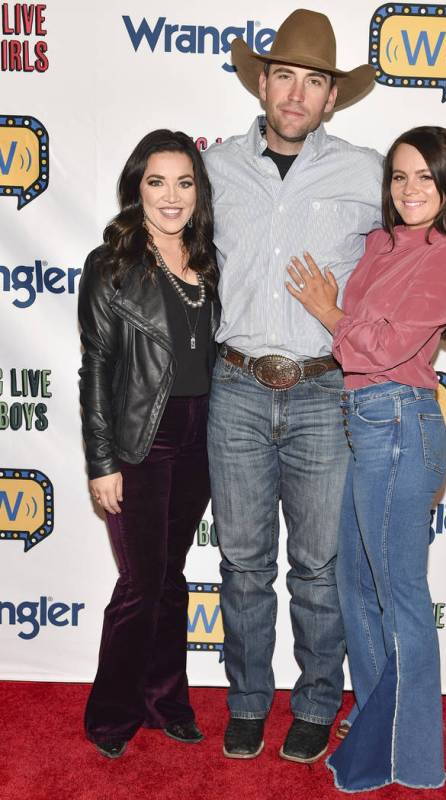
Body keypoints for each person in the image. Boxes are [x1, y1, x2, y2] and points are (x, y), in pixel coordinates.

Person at [203, 9, 446, 764]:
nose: (296, 94)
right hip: (234, 386)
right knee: (240, 561)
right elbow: (168, 235)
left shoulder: (367, 170)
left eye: (314, 83)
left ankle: (317, 703)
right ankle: (244, 701)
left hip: (323, 392)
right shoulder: (215, 168)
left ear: (332, 98)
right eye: (285, 77)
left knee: (321, 566)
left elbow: (420, 228)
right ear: (261, 83)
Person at [286, 125, 446, 791]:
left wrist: (329, 313)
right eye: (399, 176)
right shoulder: (377, 243)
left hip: (401, 424)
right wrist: (339, 318)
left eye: (426, 176)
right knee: (354, 587)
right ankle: (377, 722)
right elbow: (363, 343)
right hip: (362, 424)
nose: (409, 188)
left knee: (399, 594)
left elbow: (384, 347)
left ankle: (414, 756)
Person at [78, 129, 218, 758]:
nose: (171, 195)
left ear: (198, 191)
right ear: (137, 188)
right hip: (141, 443)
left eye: (184, 182)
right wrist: (103, 462)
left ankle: (167, 702)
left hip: (201, 441)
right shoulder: (112, 267)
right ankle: (111, 712)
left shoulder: (210, 260)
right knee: (140, 582)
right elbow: (96, 369)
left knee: (172, 575)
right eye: (157, 181)